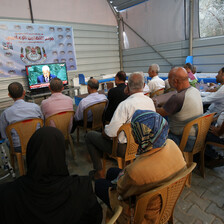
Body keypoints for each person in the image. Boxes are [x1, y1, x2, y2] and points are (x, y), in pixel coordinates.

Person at [95, 110, 186, 224]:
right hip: (163, 199)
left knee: (99, 184)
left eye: (134, 131)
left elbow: (121, 192)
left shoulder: (135, 172)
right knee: (112, 172)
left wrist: (122, 179)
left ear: (142, 136)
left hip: (141, 214)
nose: (132, 134)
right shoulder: (172, 145)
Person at [0, 127, 102, 224]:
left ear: (31, 153)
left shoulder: (7, 194)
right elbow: (95, 218)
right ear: (61, 154)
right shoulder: (82, 188)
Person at [85, 72, 155, 180]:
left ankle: (99, 172)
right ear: (144, 85)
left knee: (90, 136)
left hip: (124, 148)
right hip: (143, 144)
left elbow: (111, 133)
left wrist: (104, 132)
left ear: (127, 86)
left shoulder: (125, 105)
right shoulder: (149, 101)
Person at [156, 67, 203, 151]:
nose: (168, 81)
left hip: (183, 140)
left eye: (169, 78)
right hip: (198, 137)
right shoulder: (195, 91)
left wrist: (152, 105)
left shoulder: (178, 98)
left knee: (153, 139)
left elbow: (159, 113)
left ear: (175, 81)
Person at [0, 82, 43, 152]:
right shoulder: (36, 107)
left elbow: (4, 135)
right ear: (24, 92)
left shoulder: (5, 113)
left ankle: (18, 160)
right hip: (38, 142)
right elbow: (42, 124)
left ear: (9, 95)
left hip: (18, 147)